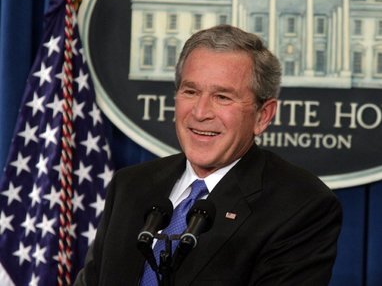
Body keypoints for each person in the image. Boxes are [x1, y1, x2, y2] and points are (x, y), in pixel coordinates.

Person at [74, 25, 343, 285]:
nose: (201, 112)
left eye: (223, 97)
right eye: (190, 91)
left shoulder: (300, 206)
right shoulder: (130, 185)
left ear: (263, 116)